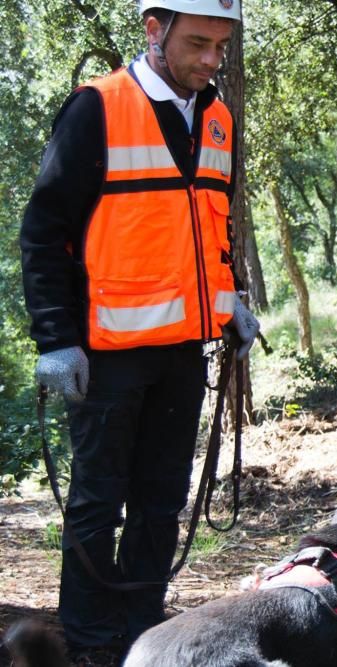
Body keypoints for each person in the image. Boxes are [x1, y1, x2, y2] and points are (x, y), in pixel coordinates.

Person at [19, 0, 257, 660]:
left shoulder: (218, 118)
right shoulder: (96, 109)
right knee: (98, 505)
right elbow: (43, 233)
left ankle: (143, 641)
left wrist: (230, 301)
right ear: (154, 30)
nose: (212, 60)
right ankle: (90, 645)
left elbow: (212, 229)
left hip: (184, 353)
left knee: (161, 502)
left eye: (221, 46)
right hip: (106, 355)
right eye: (199, 43)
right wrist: (54, 338)